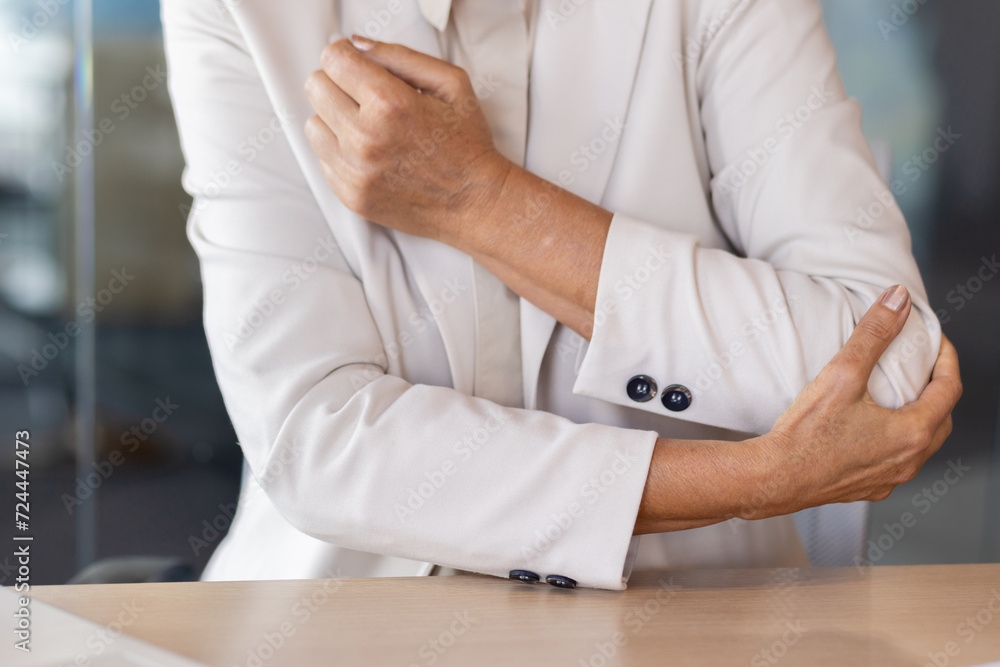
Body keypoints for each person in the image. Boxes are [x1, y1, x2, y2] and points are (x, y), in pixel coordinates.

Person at [161, 0, 961, 590]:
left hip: (697, 626)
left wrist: (485, 205)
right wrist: (750, 481)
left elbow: (884, 368)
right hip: (350, 613)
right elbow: (316, 435)